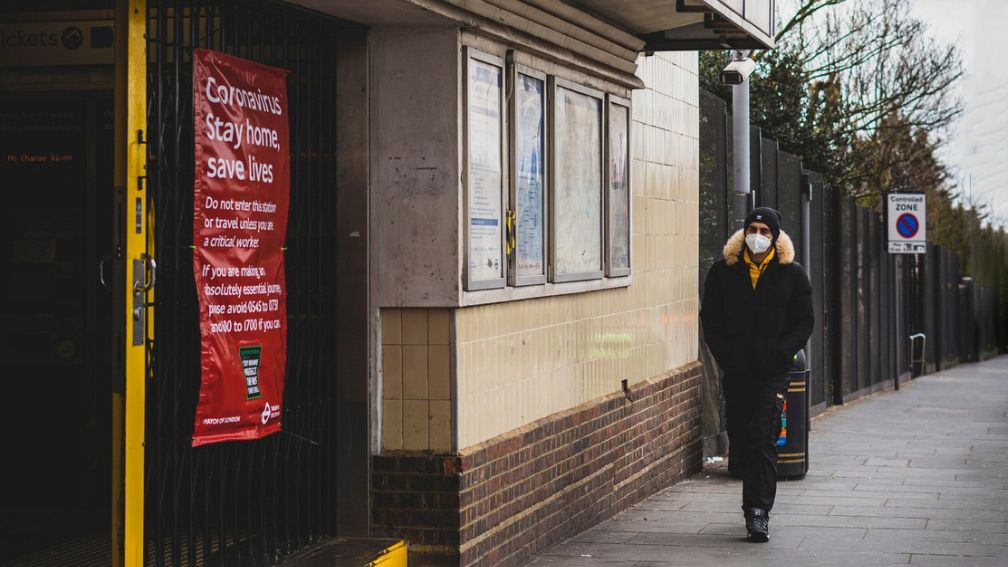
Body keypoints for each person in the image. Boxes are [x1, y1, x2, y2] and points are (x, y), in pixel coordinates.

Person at [699, 207, 814, 542]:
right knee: (741, 434)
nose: (759, 236)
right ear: (744, 232)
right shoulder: (724, 271)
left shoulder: (791, 274)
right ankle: (753, 504)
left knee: (764, 435)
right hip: (737, 370)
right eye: (753, 228)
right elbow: (712, 320)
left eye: (765, 230)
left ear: (775, 236)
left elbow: (802, 321)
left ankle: (758, 512)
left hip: (772, 372)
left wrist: (781, 352)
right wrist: (725, 356)